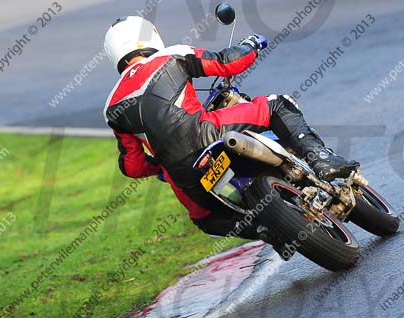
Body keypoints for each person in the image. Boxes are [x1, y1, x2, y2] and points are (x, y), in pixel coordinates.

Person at [103, 16, 358, 241]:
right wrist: (251, 44)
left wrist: (162, 163)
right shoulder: (170, 55)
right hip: (208, 132)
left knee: (205, 220)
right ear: (151, 37)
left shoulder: (111, 105)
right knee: (276, 105)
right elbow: (227, 63)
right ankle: (322, 159)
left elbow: (132, 166)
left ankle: (266, 232)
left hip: (182, 174)